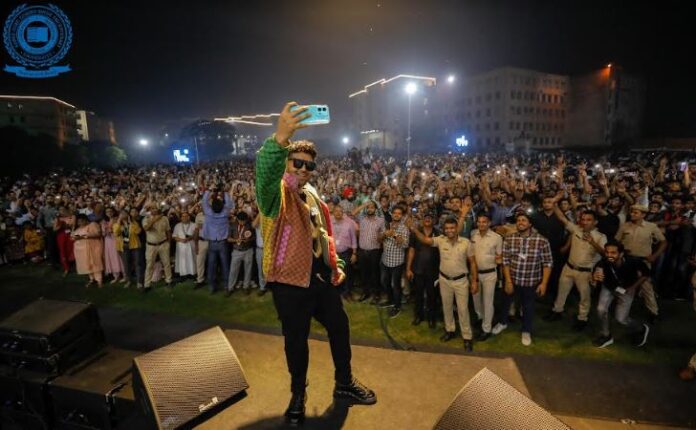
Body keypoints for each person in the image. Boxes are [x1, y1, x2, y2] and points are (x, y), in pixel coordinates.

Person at [256, 102, 375, 426]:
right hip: (288, 283)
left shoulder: (311, 194)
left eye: (309, 165)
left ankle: (344, 382)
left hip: (319, 279)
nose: (304, 169)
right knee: (296, 342)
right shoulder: (275, 194)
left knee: (340, 326)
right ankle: (298, 394)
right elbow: (265, 177)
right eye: (297, 163)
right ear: (286, 163)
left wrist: (334, 263)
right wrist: (280, 139)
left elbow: (323, 235)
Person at [409, 215, 478, 351]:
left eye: (452, 228)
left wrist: (474, 281)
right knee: (447, 307)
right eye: (447, 228)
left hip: (461, 281)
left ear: (457, 228)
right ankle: (450, 330)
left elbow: (473, 263)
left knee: (463, 310)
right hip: (444, 280)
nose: (449, 230)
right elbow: (425, 240)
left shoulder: (466, 243)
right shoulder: (441, 240)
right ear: (444, 230)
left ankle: (467, 337)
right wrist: (414, 229)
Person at [492, 213, 552, 346]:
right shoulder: (510, 239)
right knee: (506, 303)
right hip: (512, 280)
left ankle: (526, 330)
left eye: (524, 220)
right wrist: (508, 281)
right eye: (518, 220)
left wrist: (544, 283)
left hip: (531, 282)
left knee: (528, 307)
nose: (520, 222)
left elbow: (547, 263)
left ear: (530, 224)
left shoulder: (541, 240)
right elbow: (505, 261)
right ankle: (502, 323)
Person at [545, 203, 607, 331]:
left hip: (585, 272)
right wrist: (555, 203)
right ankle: (557, 311)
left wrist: (592, 242)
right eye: (583, 219)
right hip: (568, 267)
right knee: (561, 291)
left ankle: (582, 318)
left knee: (584, 297)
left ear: (595, 222)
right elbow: (562, 218)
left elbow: (605, 254)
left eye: (588, 220)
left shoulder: (600, 237)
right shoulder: (576, 230)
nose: (584, 222)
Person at [591, 241, 651, 348]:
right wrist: (595, 277)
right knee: (601, 309)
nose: (609, 255)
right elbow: (597, 272)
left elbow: (646, 274)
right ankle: (606, 335)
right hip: (609, 287)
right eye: (607, 252)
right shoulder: (603, 262)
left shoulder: (633, 261)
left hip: (626, 289)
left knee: (621, 319)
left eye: (613, 253)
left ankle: (641, 328)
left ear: (621, 253)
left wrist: (633, 287)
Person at [615, 204, 666, 322]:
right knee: (623, 283)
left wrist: (655, 256)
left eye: (635, 212)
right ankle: (621, 309)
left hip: (643, 261)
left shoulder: (651, 226)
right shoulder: (624, 226)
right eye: (631, 212)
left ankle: (653, 312)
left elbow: (664, 242)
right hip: (627, 260)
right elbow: (616, 242)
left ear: (643, 215)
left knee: (646, 287)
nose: (632, 214)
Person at [468, 213, 503, 340]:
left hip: (489, 274)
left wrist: (499, 261)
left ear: (489, 223)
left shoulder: (497, 238)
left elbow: (500, 257)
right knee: (476, 300)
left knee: (488, 302)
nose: (481, 224)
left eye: (484, 222)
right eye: (479, 222)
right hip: (475, 274)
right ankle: (481, 318)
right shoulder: (473, 235)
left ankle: (486, 329)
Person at [406, 212, 440, 328]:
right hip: (418, 269)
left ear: (434, 220)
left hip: (433, 271)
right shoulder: (415, 233)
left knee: (432, 296)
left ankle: (431, 318)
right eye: (426, 217)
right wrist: (408, 268)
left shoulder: (438, 233)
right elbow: (411, 251)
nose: (427, 219)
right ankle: (418, 316)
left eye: (430, 217)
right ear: (422, 220)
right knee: (418, 295)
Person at [200, 186, 234, 293]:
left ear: (212, 207)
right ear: (222, 206)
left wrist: (208, 191)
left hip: (212, 243)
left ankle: (211, 286)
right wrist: (225, 192)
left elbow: (204, 202)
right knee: (225, 264)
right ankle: (226, 286)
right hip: (223, 243)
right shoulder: (225, 213)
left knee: (211, 265)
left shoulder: (208, 213)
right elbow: (229, 204)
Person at [378, 205, 410, 317]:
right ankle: (390, 300)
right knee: (384, 282)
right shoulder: (386, 225)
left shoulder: (404, 228)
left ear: (402, 216)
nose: (396, 215)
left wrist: (394, 235)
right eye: (395, 213)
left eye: (399, 213)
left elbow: (405, 245)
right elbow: (379, 240)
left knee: (396, 285)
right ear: (391, 214)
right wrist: (384, 234)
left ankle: (397, 306)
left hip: (397, 262)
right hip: (385, 260)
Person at [353, 200, 384, 304]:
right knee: (363, 273)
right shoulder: (362, 219)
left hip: (374, 251)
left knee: (375, 274)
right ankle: (366, 293)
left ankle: (376, 294)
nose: (370, 209)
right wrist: (364, 204)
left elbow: (383, 234)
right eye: (368, 207)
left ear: (375, 209)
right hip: (362, 251)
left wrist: (381, 237)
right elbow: (353, 213)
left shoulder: (380, 220)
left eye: (372, 207)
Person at [142, 204, 173, 291]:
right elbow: (146, 228)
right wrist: (154, 220)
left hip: (163, 244)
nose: (154, 209)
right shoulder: (146, 219)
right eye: (152, 208)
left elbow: (168, 230)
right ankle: (147, 285)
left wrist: (169, 243)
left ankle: (169, 281)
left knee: (166, 263)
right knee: (149, 265)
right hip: (151, 245)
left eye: (156, 208)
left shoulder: (164, 218)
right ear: (150, 210)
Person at [331, 205, 358, 300]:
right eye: (336, 211)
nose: (338, 213)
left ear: (343, 213)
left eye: (340, 211)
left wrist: (354, 253)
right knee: (335, 272)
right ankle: (337, 292)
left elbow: (354, 239)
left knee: (346, 273)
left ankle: (347, 292)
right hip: (333, 253)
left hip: (346, 252)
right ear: (333, 212)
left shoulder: (349, 224)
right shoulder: (329, 222)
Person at [226, 210, 255, 295]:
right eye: (241, 221)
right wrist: (236, 240)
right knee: (233, 270)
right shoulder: (232, 225)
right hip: (236, 251)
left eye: (244, 221)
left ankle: (246, 287)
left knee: (248, 270)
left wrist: (248, 240)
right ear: (237, 219)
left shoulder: (249, 225)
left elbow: (253, 237)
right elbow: (228, 239)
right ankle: (230, 288)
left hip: (248, 250)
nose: (242, 222)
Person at [71, 214, 104, 288]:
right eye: (78, 222)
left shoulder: (92, 225)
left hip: (93, 247)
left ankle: (99, 280)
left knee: (95, 263)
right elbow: (72, 237)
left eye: (81, 221)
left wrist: (84, 236)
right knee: (87, 264)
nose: (80, 223)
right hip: (82, 250)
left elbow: (98, 233)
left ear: (85, 220)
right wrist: (75, 237)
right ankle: (91, 279)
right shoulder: (78, 229)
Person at [113, 210, 143, 288]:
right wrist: (119, 221)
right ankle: (129, 281)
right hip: (124, 247)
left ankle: (139, 282)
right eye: (121, 214)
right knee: (126, 265)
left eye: (124, 213)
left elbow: (138, 231)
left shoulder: (134, 223)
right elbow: (116, 233)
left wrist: (130, 223)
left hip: (135, 246)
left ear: (128, 215)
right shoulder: (116, 224)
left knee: (138, 264)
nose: (123, 215)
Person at [102, 207, 125, 283]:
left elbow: (120, 229)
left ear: (113, 212)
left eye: (110, 211)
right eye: (107, 212)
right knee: (111, 257)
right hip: (108, 241)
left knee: (119, 256)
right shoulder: (104, 222)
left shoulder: (117, 219)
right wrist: (106, 229)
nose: (109, 213)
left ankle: (125, 275)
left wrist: (112, 224)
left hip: (116, 239)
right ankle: (116, 276)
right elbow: (104, 233)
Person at [172, 212, 197, 278]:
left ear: (189, 217)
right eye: (183, 216)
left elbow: (196, 235)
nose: (185, 218)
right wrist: (181, 240)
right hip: (181, 245)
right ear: (181, 218)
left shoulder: (194, 225)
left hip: (191, 244)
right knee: (182, 260)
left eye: (186, 216)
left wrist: (189, 238)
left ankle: (192, 273)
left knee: (191, 259)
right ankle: (183, 274)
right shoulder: (177, 226)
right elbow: (174, 236)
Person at [251, 212, 267, 296]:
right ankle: (262, 287)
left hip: (269, 250)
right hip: (260, 249)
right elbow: (253, 225)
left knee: (270, 270)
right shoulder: (258, 224)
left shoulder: (270, 223)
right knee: (260, 270)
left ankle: (270, 286)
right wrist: (261, 212)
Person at [193, 207, 208, 287]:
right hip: (201, 241)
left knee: (213, 262)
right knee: (199, 262)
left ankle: (213, 279)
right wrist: (196, 244)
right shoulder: (199, 215)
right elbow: (196, 230)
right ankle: (200, 280)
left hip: (212, 242)